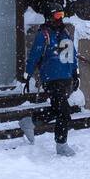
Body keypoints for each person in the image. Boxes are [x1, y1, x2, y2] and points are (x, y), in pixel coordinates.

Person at [22, 9, 79, 156]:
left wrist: (75, 74)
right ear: (49, 16)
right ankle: (61, 145)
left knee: (57, 110)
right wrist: (27, 75)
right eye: (57, 15)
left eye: (62, 15)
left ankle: (29, 122)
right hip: (51, 79)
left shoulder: (65, 33)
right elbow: (34, 55)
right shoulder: (44, 34)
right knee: (64, 112)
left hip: (65, 78)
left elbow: (73, 55)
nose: (60, 18)